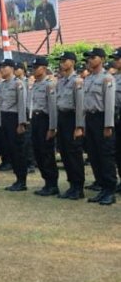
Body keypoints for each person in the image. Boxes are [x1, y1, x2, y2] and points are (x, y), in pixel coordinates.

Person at [82, 48, 117, 205]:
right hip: (89, 118)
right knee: (94, 155)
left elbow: (109, 104)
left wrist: (108, 124)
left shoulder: (107, 78)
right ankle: (102, 188)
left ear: (102, 59)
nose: (90, 60)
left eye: (93, 57)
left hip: (102, 119)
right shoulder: (88, 79)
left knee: (105, 156)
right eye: (89, 57)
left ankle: (110, 190)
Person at [55, 52, 86, 199]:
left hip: (72, 118)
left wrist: (79, 126)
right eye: (60, 60)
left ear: (72, 62)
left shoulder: (77, 81)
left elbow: (80, 105)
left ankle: (78, 187)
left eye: (64, 60)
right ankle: (71, 185)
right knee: (65, 153)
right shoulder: (61, 81)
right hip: (62, 118)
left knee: (74, 153)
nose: (61, 62)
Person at [29, 57, 59, 196]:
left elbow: (53, 108)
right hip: (35, 119)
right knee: (38, 152)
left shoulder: (49, 85)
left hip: (45, 120)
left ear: (44, 68)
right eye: (33, 68)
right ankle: (46, 182)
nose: (33, 70)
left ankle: (52, 184)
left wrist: (52, 127)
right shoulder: (35, 84)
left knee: (46, 153)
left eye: (36, 67)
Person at [0, 58, 29, 191]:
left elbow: (22, 104)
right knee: (10, 149)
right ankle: (17, 178)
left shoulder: (18, 84)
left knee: (18, 151)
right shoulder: (2, 84)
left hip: (15, 118)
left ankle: (22, 180)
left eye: (4, 67)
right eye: (1, 67)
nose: (2, 70)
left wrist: (22, 122)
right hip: (5, 117)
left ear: (11, 69)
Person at [110, 47, 121, 193]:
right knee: (117, 151)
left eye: (118, 58)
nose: (115, 61)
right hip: (116, 116)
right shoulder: (114, 78)